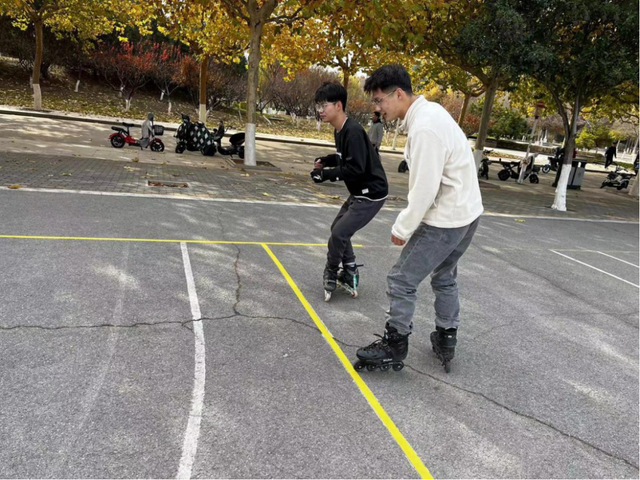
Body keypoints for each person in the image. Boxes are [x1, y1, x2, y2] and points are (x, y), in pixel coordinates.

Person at [355, 64, 483, 373]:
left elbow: (425, 188)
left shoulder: (424, 127)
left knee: (401, 279)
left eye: (379, 100)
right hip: (467, 214)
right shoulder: (432, 113)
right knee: (444, 275)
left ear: (398, 94)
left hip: (447, 219)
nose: (378, 108)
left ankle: (395, 344)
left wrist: (403, 227)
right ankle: (447, 336)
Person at [310, 82, 389, 301]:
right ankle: (350, 270)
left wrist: (326, 175)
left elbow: (356, 168)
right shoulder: (340, 130)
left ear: (338, 105)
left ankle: (331, 270)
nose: (320, 110)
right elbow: (345, 158)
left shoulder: (353, 131)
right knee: (338, 229)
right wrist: (327, 161)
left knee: (339, 233)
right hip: (359, 191)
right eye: (318, 106)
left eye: (324, 106)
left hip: (371, 194)